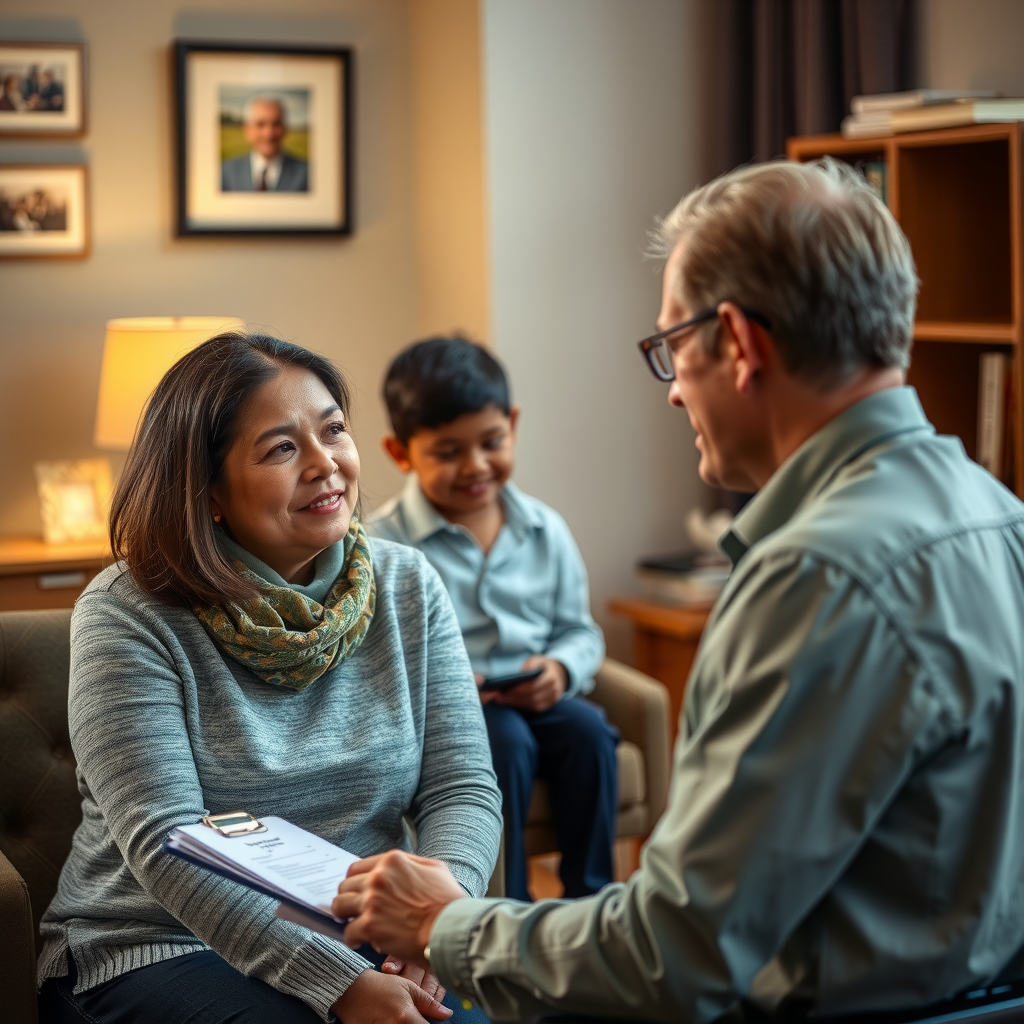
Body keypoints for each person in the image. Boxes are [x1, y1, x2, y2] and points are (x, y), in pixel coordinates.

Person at [330, 158, 1024, 1022]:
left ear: (737, 342)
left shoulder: (816, 575)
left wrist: (445, 925)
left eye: (670, 348)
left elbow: (678, 956)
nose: (671, 395)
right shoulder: (999, 514)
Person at [37, 332, 501, 1024]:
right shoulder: (126, 614)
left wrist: (437, 923)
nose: (326, 465)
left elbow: (462, 786)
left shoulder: (409, 586)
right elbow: (168, 842)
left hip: (369, 934)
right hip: (158, 942)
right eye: (282, 448)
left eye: (333, 432)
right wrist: (340, 985)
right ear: (210, 491)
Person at [367, 337, 618, 903]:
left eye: (491, 442)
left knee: (590, 732)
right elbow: (382, 655)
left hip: (537, 695)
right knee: (502, 743)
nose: (476, 466)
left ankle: (593, 899)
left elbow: (580, 631)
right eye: (448, 452)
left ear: (513, 423)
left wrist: (560, 669)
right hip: (460, 713)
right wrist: (454, 689)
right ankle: (506, 907)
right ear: (401, 452)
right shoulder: (386, 547)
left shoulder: (543, 529)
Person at [221, 95, 309, 192]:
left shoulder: (308, 174)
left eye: (276, 124)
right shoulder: (226, 172)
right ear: (247, 130)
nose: (269, 134)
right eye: (260, 124)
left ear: (285, 129)